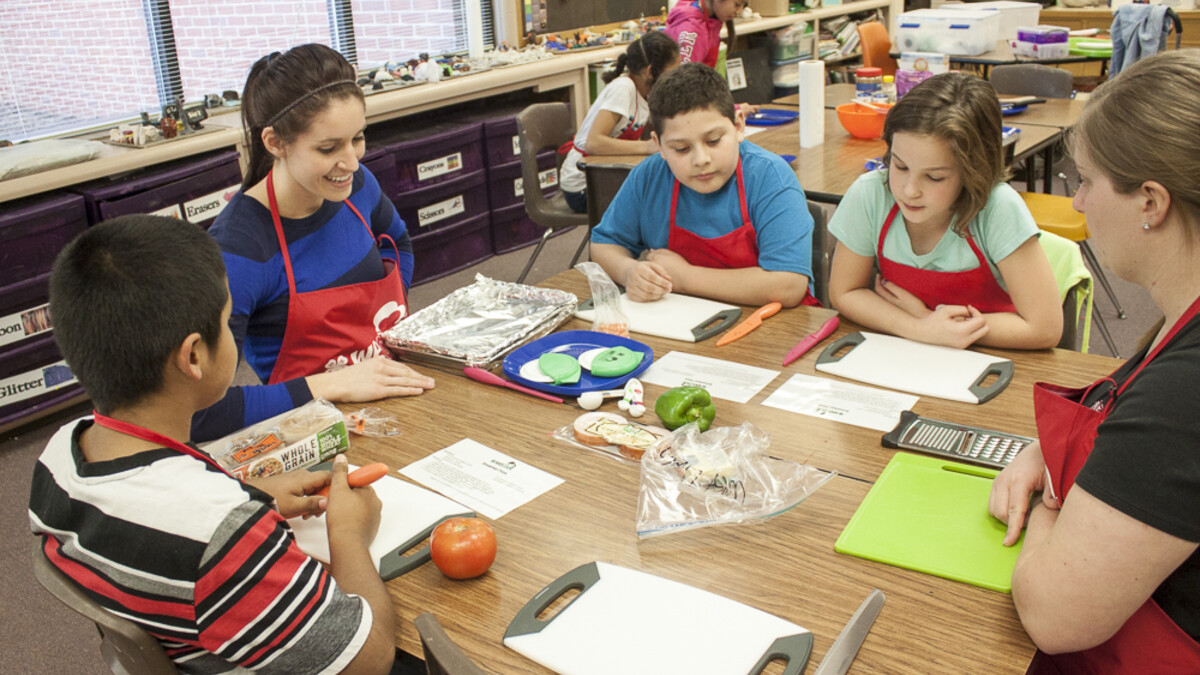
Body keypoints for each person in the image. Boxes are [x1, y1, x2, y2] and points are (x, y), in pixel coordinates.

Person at [29, 215, 406, 674]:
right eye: (228, 324)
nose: (231, 336)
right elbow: (368, 660)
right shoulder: (221, 533)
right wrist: (348, 533)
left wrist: (250, 495)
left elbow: (151, 515)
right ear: (193, 356)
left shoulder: (58, 456)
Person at [988, 50, 1200, 672]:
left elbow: (1055, 615)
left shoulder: (1185, 390)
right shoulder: (1177, 321)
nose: (1076, 204)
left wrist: (1054, 509)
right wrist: (1045, 454)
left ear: (1150, 203)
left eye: (1084, 181)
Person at [196, 43, 434, 443]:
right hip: (312, 429)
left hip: (390, 392)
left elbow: (399, 242)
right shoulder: (239, 250)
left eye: (357, 138)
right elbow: (198, 414)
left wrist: (387, 327)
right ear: (274, 143)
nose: (352, 162)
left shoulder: (356, 186)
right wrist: (334, 384)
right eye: (328, 148)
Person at [827, 72, 1062, 350]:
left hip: (993, 359)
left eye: (935, 177)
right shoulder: (871, 194)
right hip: (911, 353)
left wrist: (931, 321)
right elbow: (844, 292)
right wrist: (919, 327)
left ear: (973, 171)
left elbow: (1044, 328)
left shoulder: (998, 208)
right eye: (900, 166)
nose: (909, 190)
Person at [590, 62, 816, 308]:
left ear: (739, 126)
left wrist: (684, 277)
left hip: (773, 329)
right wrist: (629, 271)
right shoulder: (649, 177)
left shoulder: (770, 178)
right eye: (681, 149)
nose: (701, 160)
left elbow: (788, 286)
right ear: (659, 145)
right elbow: (604, 245)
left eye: (714, 140)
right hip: (682, 322)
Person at [560, 31, 679, 214]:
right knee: (660, 201)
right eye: (671, 74)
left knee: (667, 188)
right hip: (583, 187)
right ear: (650, 72)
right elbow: (594, 143)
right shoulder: (623, 89)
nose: (673, 81)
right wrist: (647, 147)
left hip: (607, 177)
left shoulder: (645, 94)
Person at [664, 0, 746, 68]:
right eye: (737, 5)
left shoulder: (711, 22)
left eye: (744, 6)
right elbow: (682, 82)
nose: (739, 12)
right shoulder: (692, 31)